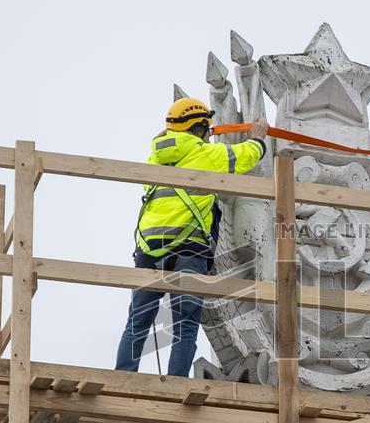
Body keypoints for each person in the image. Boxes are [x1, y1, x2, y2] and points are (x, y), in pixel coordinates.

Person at [115, 97, 269, 376]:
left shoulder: (154, 158)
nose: (209, 137)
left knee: (138, 322)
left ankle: (123, 374)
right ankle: (175, 382)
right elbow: (246, 155)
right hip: (189, 247)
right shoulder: (205, 155)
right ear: (198, 128)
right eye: (206, 130)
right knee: (185, 323)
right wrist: (257, 137)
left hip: (149, 250)